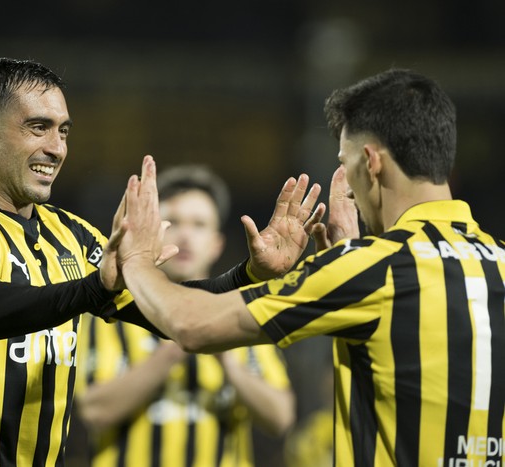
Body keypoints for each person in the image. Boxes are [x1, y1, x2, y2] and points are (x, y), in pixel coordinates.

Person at [0, 57, 325, 466]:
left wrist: (249, 275)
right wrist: (95, 288)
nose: (56, 148)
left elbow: (165, 308)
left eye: (63, 131)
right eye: (37, 128)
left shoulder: (73, 236)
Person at [112, 69, 505, 466]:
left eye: (344, 162)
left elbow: (191, 325)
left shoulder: (371, 269)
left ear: (370, 162)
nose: (347, 186)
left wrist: (137, 260)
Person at [74, 165, 295, 466]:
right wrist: (182, 338)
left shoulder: (244, 312)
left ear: (217, 244)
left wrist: (226, 356)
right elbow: (94, 412)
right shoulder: (111, 315)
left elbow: (280, 418)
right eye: (173, 222)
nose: (186, 235)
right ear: (151, 234)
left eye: (199, 224)